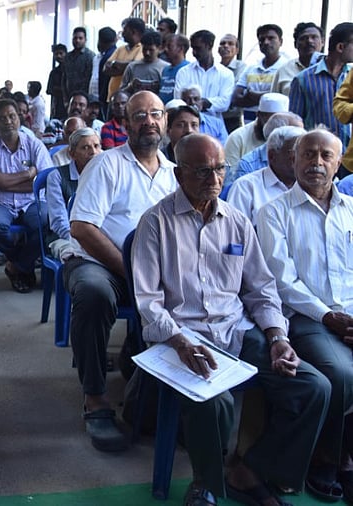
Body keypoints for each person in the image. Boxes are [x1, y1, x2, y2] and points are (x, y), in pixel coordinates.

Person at [132, 133, 329, 506]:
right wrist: (180, 341)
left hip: (235, 330)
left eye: (220, 169)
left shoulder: (237, 221)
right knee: (215, 402)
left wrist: (277, 337)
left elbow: (261, 289)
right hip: (181, 336)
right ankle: (205, 482)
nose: (214, 179)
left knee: (313, 388)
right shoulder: (155, 222)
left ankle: (250, 470)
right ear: (179, 174)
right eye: (202, 171)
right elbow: (148, 301)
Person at [64, 91, 176, 452]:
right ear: (126, 123)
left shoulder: (174, 174)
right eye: (139, 115)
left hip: (153, 271)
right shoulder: (106, 164)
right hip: (101, 263)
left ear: (165, 121)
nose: (149, 121)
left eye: (156, 114)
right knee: (93, 294)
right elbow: (83, 228)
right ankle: (95, 397)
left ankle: (152, 381)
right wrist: (131, 269)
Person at [256, 129, 353, 503]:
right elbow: (282, 280)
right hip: (307, 317)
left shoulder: (350, 210)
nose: (317, 163)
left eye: (326, 156)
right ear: (293, 160)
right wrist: (327, 316)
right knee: (341, 373)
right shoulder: (274, 212)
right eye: (308, 154)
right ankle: (329, 457)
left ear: (338, 163)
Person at [0, 98, 53, 293]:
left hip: (31, 202)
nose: (8, 121)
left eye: (12, 116)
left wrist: (4, 182)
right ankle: (24, 263)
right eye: (2, 118)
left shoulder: (34, 144)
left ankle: (17, 265)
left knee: (47, 223)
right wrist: (28, 174)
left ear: (19, 118)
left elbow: (44, 181)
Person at [290, 22, 353, 151]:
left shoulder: (350, 76)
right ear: (340, 47)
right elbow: (294, 125)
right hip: (318, 153)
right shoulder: (303, 79)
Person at [226, 125, 304, 221]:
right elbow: (235, 227)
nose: (301, 159)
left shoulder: (311, 186)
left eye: (305, 154)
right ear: (272, 156)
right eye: (294, 153)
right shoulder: (246, 187)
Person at [46, 127, 101, 259]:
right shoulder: (57, 177)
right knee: (77, 258)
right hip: (65, 238)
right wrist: (80, 241)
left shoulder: (105, 175)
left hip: (100, 236)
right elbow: (58, 221)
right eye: (85, 148)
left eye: (96, 146)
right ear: (72, 154)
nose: (93, 152)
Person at [174, 30, 235, 140]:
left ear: (209, 46)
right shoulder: (184, 72)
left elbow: (225, 103)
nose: (194, 53)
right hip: (187, 128)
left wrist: (204, 103)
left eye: (198, 48)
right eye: (193, 48)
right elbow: (178, 101)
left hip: (214, 128)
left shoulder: (226, 74)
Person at [233, 24, 289, 122]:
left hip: (276, 124)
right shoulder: (251, 68)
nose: (266, 42)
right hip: (249, 124)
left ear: (281, 41)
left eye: (271, 38)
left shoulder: (287, 68)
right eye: (262, 39)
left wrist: (252, 95)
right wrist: (269, 96)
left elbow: (286, 99)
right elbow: (236, 99)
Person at [225, 92, 289, 167]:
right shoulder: (238, 138)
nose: (275, 125)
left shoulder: (292, 138)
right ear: (259, 115)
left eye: (281, 121)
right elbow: (231, 171)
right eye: (271, 120)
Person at [271, 22, 324, 96]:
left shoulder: (332, 69)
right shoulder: (284, 71)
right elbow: (274, 99)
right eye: (303, 38)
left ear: (322, 42)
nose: (309, 41)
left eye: (314, 37)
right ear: (295, 44)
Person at [104, 17, 146, 100]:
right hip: (113, 97)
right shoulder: (120, 49)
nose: (122, 34)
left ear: (133, 32)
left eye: (125, 31)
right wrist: (125, 66)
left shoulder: (142, 48)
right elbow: (106, 68)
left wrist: (115, 64)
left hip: (129, 99)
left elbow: (134, 67)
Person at [121, 30, 167, 95]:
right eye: (144, 49)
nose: (147, 53)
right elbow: (121, 92)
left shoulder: (165, 68)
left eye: (151, 50)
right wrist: (131, 86)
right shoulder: (132, 66)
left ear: (159, 49)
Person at [219, 34, 248, 133]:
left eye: (230, 44)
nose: (225, 46)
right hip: (215, 116)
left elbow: (234, 91)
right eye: (222, 43)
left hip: (232, 118)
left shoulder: (242, 67)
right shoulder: (215, 68)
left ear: (237, 50)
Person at [63, 28, 96, 106]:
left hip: (84, 97)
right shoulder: (67, 57)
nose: (77, 40)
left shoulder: (90, 56)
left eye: (80, 38)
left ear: (85, 40)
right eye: (75, 38)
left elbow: (89, 79)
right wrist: (65, 97)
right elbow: (64, 78)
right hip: (69, 96)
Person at [159, 33, 190, 103]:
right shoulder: (165, 69)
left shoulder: (188, 69)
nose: (165, 49)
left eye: (169, 46)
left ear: (181, 48)